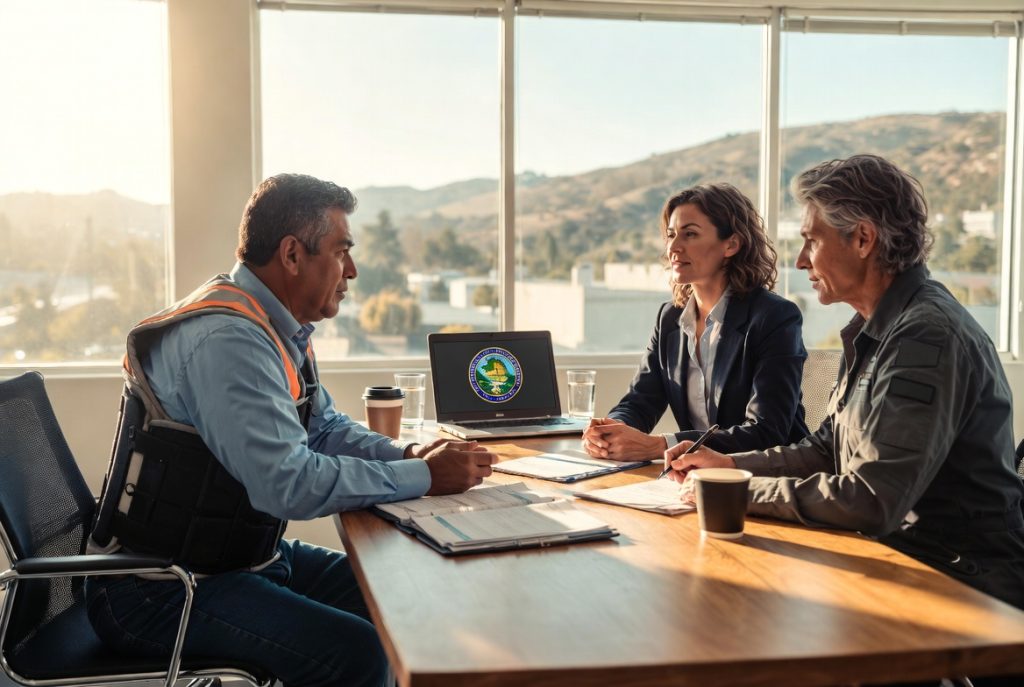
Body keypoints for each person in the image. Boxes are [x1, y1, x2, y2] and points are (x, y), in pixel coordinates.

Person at [85, 173, 498, 687]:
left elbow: (323, 429)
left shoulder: (274, 327)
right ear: (292, 254)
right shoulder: (228, 341)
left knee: (408, 595)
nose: (352, 270)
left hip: (242, 562)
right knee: (361, 655)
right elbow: (289, 484)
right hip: (162, 589)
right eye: (341, 250)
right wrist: (424, 476)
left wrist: (411, 452)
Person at [665, 155, 1024, 614]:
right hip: (906, 554)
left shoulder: (924, 335)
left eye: (811, 240)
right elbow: (825, 449)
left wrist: (734, 491)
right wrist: (727, 464)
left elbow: (871, 499)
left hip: (960, 575)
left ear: (862, 238)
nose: (799, 260)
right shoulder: (876, 327)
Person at [583, 183, 809, 462]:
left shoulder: (774, 317)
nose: (674, 247)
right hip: (695, 476)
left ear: (731, 244)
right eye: (671, 235)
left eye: (690, 234)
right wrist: (610, 432)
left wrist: (660, 446)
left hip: (767, 478)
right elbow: (640, 401)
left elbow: (767, 431)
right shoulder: (670, 319)